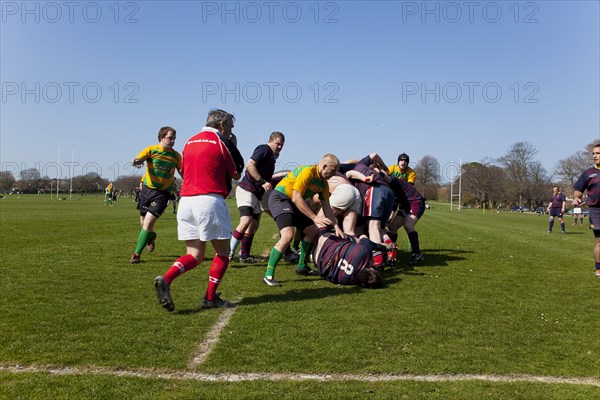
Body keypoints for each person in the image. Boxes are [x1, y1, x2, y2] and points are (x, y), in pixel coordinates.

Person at [153, 109, 243, 311]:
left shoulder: (190, 141)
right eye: (230, 126)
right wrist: (234, 148)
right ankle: (210, 298)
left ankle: (166, 279)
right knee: (223, 252)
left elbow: (184, 171)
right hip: (209, 200)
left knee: (194, 254)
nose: (231, 130)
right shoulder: (221, 142)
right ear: (222, 125)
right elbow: (237, 173)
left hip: (186, 201)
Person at [263, 154, 343, 286]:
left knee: (312, 231)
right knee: (287, 235)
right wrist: (315, 217)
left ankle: (302, 267)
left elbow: (327, 206)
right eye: (333, 170)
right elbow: (296, 197)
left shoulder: (323, 183)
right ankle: (268, 275)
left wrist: (337, 227)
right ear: (324, 166)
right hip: (281, 198)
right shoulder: (307, 171)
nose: (333, 174)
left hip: (293, 203)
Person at [230, 131, 285, 263]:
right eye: (277, 144)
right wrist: (262, 181)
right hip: (246, 190)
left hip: (257, 193)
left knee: (253, 225)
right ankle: (228, 252)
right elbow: (250, 165)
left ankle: (244, 255)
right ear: (270, 140)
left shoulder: (272, 156)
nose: (279, 147)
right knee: (246, 221)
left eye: (282, 145)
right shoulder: (264, 149)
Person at [130, 127, 182, 264]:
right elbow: (137, 159)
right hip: (146, 190)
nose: (173, 141)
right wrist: (136, 162)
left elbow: (183, 173)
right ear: (161, 137)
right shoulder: (151, 150)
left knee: (148, 222)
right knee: (143, 223)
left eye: (174, 138)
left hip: (163, 194)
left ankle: (136, 254)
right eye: (170, 137)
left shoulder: (176, 156)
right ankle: (151, 237)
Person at [312, 232, 384, 288]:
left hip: (325, 240)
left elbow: (364, 238)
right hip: (318, 260)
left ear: (371, 269)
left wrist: (383, 247)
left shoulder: (363, 252)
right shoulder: (347, 281)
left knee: (356, 240)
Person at [572, 143, 600, 278]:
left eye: (598, 153)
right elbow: (577, 191)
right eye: (593, 153)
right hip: (596, 210)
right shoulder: (588, 173)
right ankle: (599, 268)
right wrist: (577, 198)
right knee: (599, 241)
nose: (595, 156)